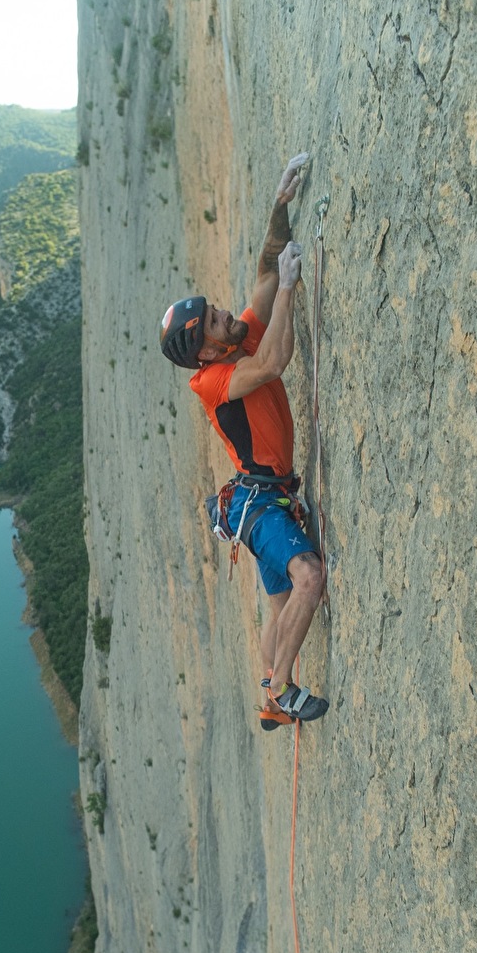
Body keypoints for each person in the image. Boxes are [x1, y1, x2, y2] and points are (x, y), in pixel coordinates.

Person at [159, 153, 328, 727]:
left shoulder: (232, 342)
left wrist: (280, 207)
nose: (225, 312)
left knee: (280, 604)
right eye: (212, 320)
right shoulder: (215, 380)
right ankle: (280, 692)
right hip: (261, 505)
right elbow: (275, 361)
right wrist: (287, 291)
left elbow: (261, 270)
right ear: (204, 352)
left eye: (214, 309)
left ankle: (268, 691)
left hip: (259, 501)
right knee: (308, 578)